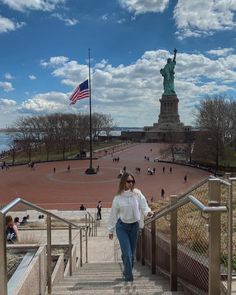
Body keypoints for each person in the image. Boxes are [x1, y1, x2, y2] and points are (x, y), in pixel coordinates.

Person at [107, 172, 154, 282]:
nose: (131, 183)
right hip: (122, 227)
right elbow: (113, 214)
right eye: (128, 181)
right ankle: (129, 277)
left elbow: (144, 206)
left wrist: (149, 213)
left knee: (130, 255)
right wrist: (110, 230)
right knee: (127, 253)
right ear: (123, 182)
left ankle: (126, 271)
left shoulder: (137, 194)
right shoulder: (118, 198)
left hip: (134, 227)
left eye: (132, 181)